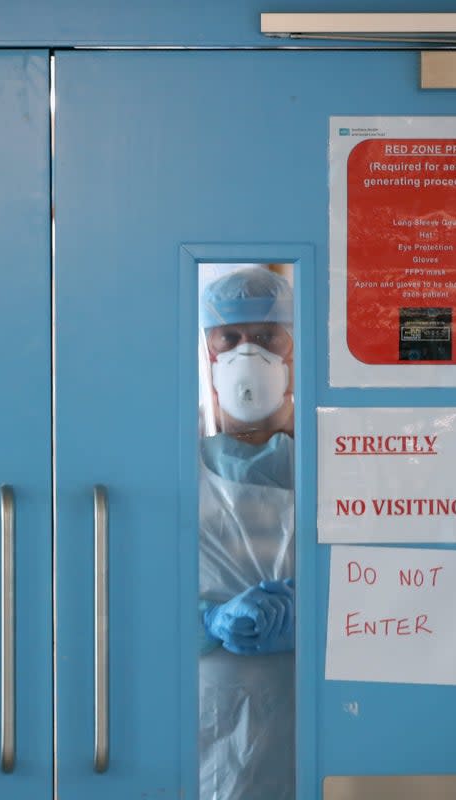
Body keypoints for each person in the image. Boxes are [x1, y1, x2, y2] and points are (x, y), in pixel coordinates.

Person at [198, 265, 296, 800]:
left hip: (311, 711)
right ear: (209, 356)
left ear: (293, 353)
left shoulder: (332, 458)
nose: (246, 354)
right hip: (207, 712)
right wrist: (206, 620)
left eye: (264, 338)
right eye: (229, 339)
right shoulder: (178, 462)